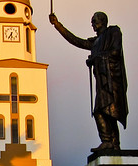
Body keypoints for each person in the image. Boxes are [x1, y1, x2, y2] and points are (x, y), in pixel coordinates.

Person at [49, 12, 128, 151]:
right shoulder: (96, 42)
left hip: (112, 80)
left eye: (94, 21)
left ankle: (110, 142)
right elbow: (77, 41)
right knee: (104, 110)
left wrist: (95, 58)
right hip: (102, 80)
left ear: (102, 21)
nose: (92, 24)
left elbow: (115, 52)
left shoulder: (113, 32)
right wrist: (57, 25)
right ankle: (111, 143)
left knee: (104, 111)